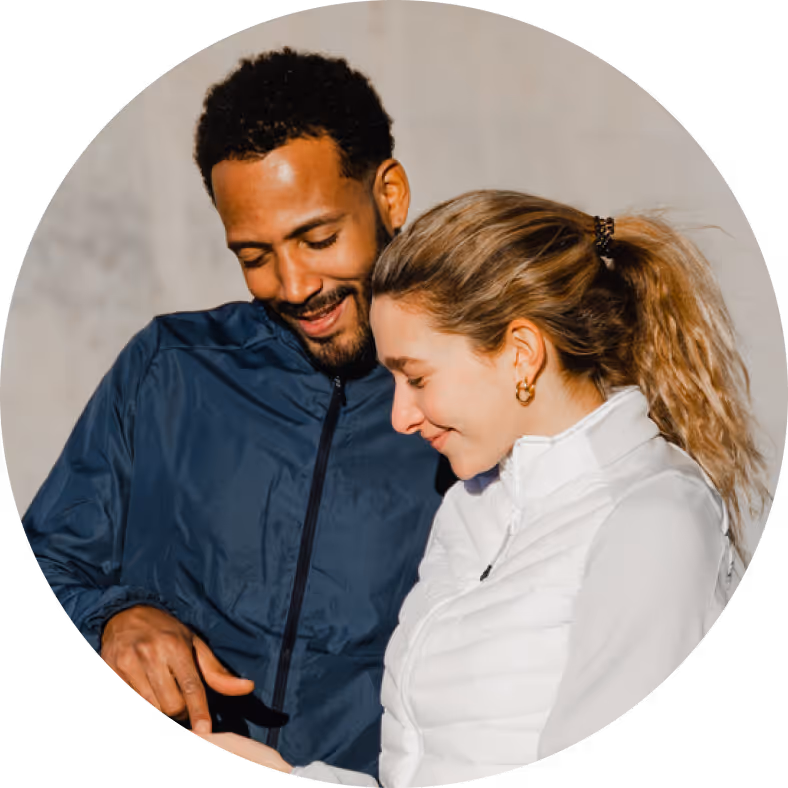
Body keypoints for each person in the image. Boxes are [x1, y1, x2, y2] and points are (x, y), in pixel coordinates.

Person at [194, 190, 768, 784]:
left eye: (415, 377)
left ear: (520, 355)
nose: (400, 417)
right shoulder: (471, 508)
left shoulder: (653, 520)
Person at [20, 49, 452, 778]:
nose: (294, 285)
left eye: (318, 239)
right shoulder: (167, 366)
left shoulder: (476, 395)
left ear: (390, 194)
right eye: (254, 254)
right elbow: (49, 556)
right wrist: (112, 616)